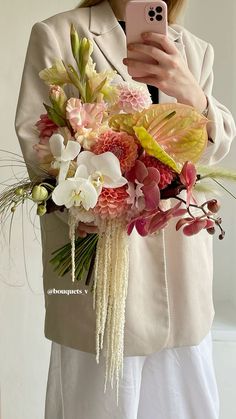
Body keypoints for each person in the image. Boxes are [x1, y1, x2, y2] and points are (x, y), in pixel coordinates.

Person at [15, 0, 236, 418]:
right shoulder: (59, 34)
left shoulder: (193, 50)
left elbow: (207, 155)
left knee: (185, 404)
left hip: (180, 274)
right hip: (102, 276)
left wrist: (193, 94)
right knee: (98, 404)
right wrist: (108, 173)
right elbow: (39, 147)